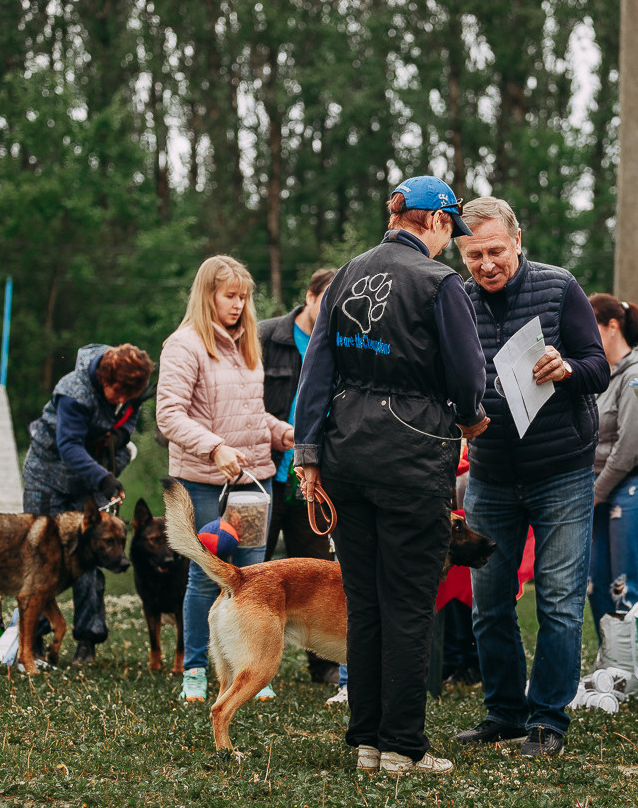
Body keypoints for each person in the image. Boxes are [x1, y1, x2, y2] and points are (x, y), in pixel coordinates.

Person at [293, 175, 488, 775]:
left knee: (366, 602)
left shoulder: (347, 273)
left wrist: (307, 453)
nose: (449, 242)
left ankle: (367, 742)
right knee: (407, 603)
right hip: (412, 455)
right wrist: (472, 418)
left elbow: (317, 366)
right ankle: (402, 746)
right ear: (436, 220)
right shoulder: (439, 282)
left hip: (345, 454)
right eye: (451, 229)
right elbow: (467, 371)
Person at [450, 196, 609, 759]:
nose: (487, 264)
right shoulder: (456, 299)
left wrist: (566, 369)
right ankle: (504, 713)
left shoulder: (559, 287)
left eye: (496, 250)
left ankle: (547, 719)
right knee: (489, 601)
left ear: (518, 241)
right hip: (490, 473)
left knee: (559, 602)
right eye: (474, 255)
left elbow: (598, 366)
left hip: (561, 471)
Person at [156, 255, 294, 704]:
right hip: (204, 482)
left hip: (253, 483)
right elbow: (168, 415)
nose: (238, 305)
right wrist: (215, 448)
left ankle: (252, 670)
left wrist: (282, 433)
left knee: (252, 580)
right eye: (229, 296)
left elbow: (249, 415)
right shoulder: (184, 345)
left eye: (243, 297)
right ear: (207, 295)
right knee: (205, 579)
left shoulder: (246, 344)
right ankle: (195, 670)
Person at [21, 343, 154, 666]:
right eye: (117, 393)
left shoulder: (130, 389)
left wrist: (120, 436)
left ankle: (87, 642)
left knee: (92, 558)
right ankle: (33, 641)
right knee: (42, 560)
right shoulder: (74, 392)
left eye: (128, 396)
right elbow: (68, 446)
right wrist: (104, 479)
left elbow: (127, 419)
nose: (121, 400)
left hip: (89, 483)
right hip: (48, 477)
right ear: (105, 378)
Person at [259, 266, 339, 686]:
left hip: (316, 475)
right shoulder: (267, 336)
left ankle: (322, 664)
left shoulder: (343, 339)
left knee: (317, 570)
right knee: (255, 566)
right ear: (308, 297)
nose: (330, 309)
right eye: (325, 301)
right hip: (267, 469)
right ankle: (252, 659)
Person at [586, 293, 638, 630]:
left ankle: (636, 661)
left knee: (626, 586)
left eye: (590, 326)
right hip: (603, 486)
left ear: (612, 326)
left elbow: (629, 447)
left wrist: (595, 493)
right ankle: (610, 657)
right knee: (596, 583)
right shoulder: (600, 373)